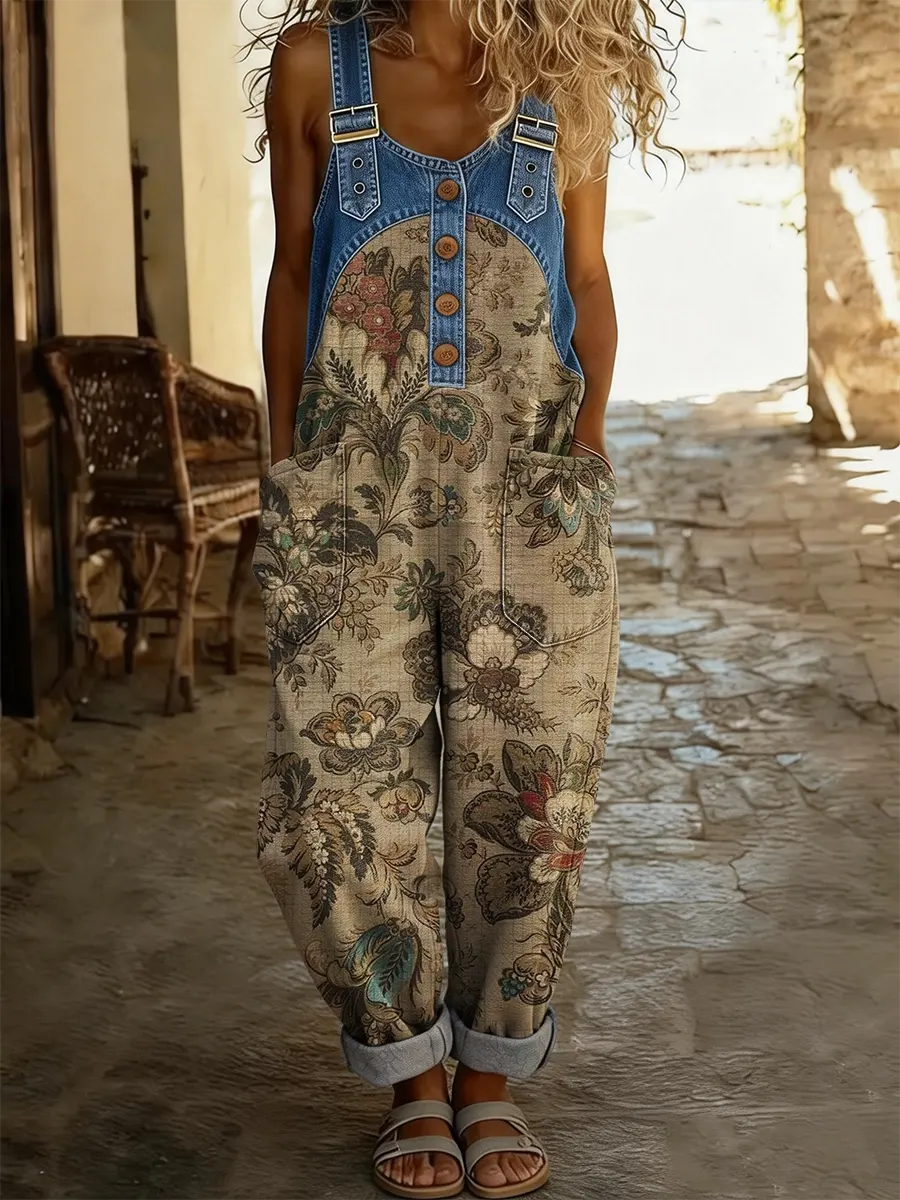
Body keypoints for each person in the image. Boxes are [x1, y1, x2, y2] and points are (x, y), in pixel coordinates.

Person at [253, 2, 673, 1195]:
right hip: (349, 493)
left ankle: (487, 1080)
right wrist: (286, 468)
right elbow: (294, 272)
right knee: (333, 793)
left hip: (529, 497)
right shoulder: (314, 68)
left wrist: (584, 450)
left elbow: (585, 276)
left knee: (534, 786)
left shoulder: (564, 73)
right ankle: (410, 1080)